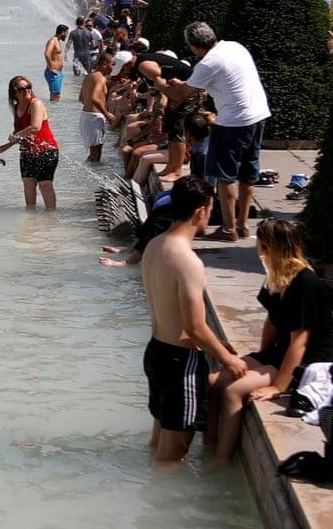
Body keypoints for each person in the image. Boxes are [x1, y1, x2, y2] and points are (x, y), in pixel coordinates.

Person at [212, 219, 333, 462]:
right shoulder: (277, 277)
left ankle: (222, 460)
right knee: (213, 382)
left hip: (309, 361)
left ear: (268, 247)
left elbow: (300, 342)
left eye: (259, 245)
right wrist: (258, 359)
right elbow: (272, 321)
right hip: (281, 352)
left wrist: (278, 386)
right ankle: (209, 447)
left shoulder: (305, 283)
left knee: (233, 391)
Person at [140, 176, 244, 464]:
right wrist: (229, 360)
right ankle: (161, 505)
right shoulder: (187, 260)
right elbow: (194, 328)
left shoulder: (154, 246)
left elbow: (173, 311)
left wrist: (214, 342)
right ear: (202, 210)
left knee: (159, 442)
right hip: (179, 363)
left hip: (156, 352)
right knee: (175, 451)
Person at [159, 22, 270, 242]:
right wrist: (184, 83)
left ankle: (228, 230)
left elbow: (180, 95)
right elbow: (218, 80)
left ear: (193, 46)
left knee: (225, 175)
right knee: (248, 173)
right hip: (258, 114)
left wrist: (159, 83)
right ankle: (243, 225)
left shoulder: (208, 63)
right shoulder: (233, 47)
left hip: (233, 122)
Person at [6, 74, 59, 210]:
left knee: (45, 185)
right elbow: (21, 130)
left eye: (28, 87)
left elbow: (35, 127)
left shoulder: (36, 103)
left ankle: (50, 217)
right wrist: (14, 136)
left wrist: (17, 135)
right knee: (28, 183)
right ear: (14, 93)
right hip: (27, 151)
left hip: (47, 149)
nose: (27, 91)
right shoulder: (15, 107)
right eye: (22, 89)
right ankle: (31, 218)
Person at [78, 50, 119, 163]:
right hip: (93, 118)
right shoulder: (100, 78)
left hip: (86, 117)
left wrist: (90, 108)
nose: (113, 67)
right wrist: (106, 113)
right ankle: (87, 177)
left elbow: (81, 98)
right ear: (104, 64)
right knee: (95, 155)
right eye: (112, 64)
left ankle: (88, 175)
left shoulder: (90, 76)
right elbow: (94, 98)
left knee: (94, 154)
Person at [43, 25, 67, 102]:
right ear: (62, 32)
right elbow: (47, 54)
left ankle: (53, 113)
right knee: (55, 97)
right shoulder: (53, 41)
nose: (67, 36)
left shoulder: (57, 40)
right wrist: (51, 68)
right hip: (53, 73)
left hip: (57, 73)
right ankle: (54, 113)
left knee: (55, 97)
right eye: (66, 33)